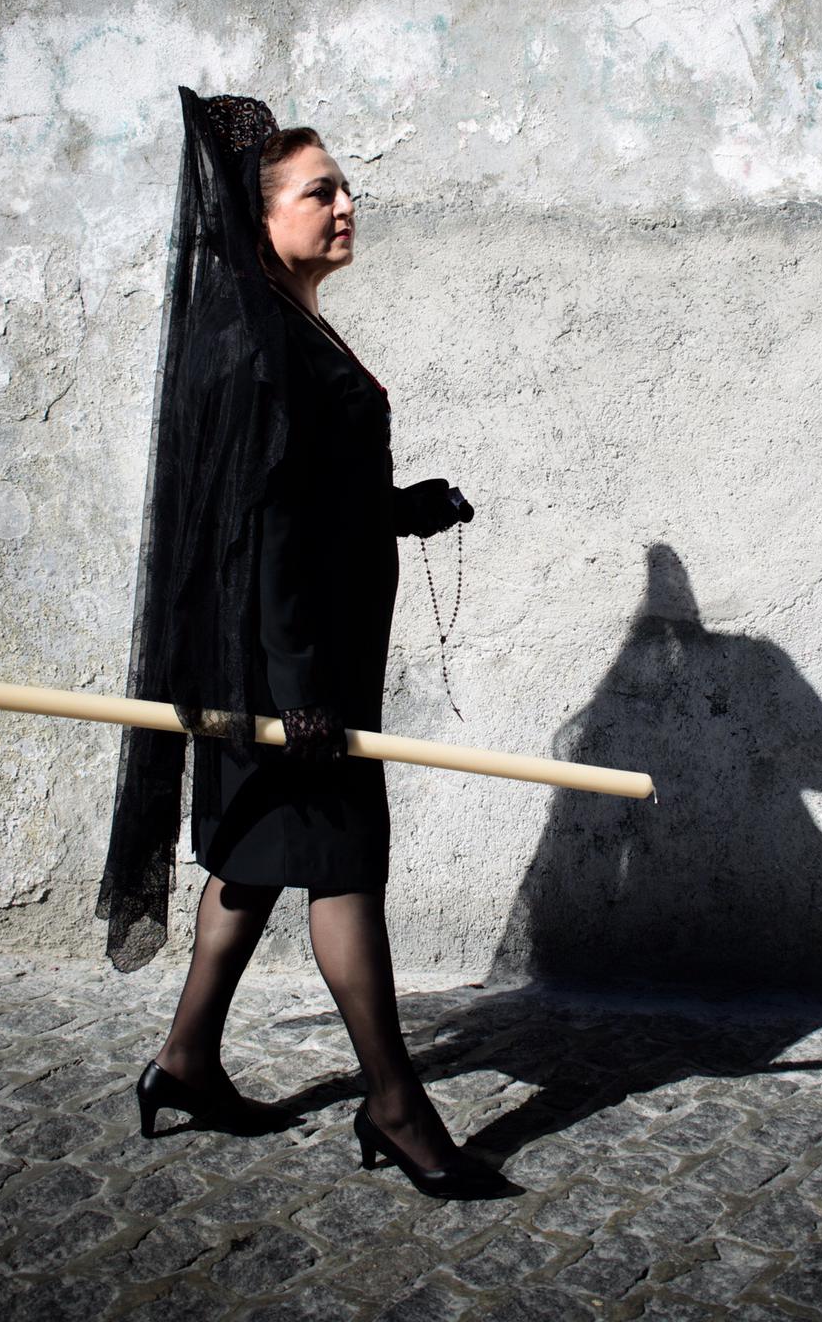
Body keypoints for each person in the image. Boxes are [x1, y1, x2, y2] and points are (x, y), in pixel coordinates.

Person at [97, 89, 506, 1199]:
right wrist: (300, 694)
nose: (344, 204)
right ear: (260, 210)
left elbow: (307, 499)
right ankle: (394, 1103)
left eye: (344, 186)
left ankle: (184, 1060)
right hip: (287, 667)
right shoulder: (258, 338)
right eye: (319, 190)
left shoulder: (289, 321)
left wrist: (395, 507)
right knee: (342, 869)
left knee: (253, 859)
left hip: (300, 658)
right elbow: (262, 528)